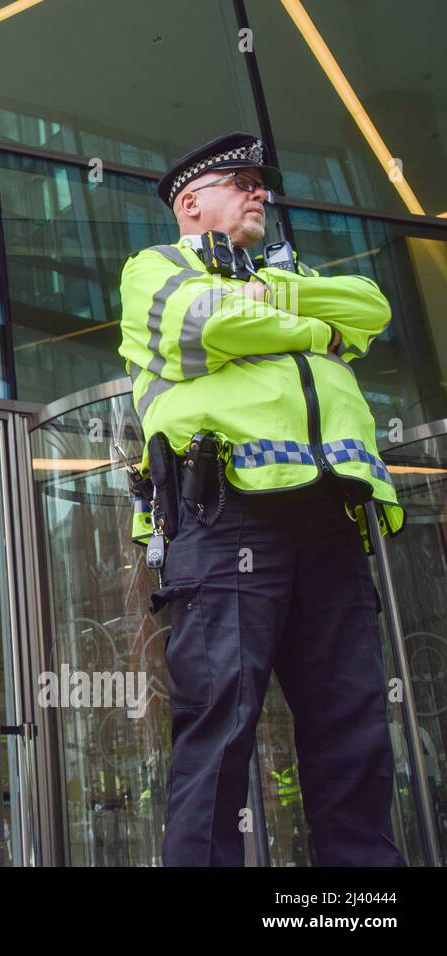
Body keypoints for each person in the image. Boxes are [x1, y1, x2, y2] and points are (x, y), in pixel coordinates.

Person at [118, 131, 406, 866]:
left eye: (261, 182)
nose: (259, 192)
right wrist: (311, 328)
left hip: (332, 519)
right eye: (240, 180)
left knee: (356, 730)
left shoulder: (287, 273)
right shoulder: (155, 269)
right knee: (219, 731)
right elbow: (211, 324)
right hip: (224, 516)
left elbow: (369, 308)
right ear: (190, 202)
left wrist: (274, 296)